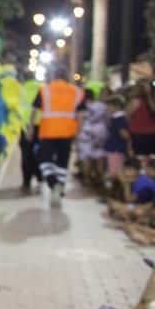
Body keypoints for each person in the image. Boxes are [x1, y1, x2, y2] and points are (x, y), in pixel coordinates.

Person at [32, 67, 85, 206]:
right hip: (68, 132)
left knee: (43, 158)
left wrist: (31, 127)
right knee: (63, 160)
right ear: (67, 76)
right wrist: (78, 132)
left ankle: (53, 182)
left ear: (54, 75)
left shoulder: (45, 90)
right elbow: (81, 115)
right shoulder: (77, 92)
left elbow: (34, 111)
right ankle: (60, 184)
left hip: (48, 131)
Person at [76, 88, 108, 188]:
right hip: (101, 132)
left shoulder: (83, 106)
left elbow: (80, 121)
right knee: (100, 157)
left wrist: (77, 134)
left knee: (87, 157)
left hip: (87, 133)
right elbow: (107, 119)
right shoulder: (102, 105)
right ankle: (100, 178)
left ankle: (87, 178)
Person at [105, 96, 130, 185]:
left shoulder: (118, 118)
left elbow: (124, 134)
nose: (108, 109)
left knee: (115, 171)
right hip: (117, 147)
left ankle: (115, 191)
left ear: (117, 106)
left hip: (116, 148)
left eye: (110, 106)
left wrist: (129, 141)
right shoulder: (120, 117)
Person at [129, 80, 155, 158]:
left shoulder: (150, 100)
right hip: (141, 134)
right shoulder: (136, 101)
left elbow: (153, 109)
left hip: (146, 134)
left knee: (148, 159)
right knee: (143, 158)